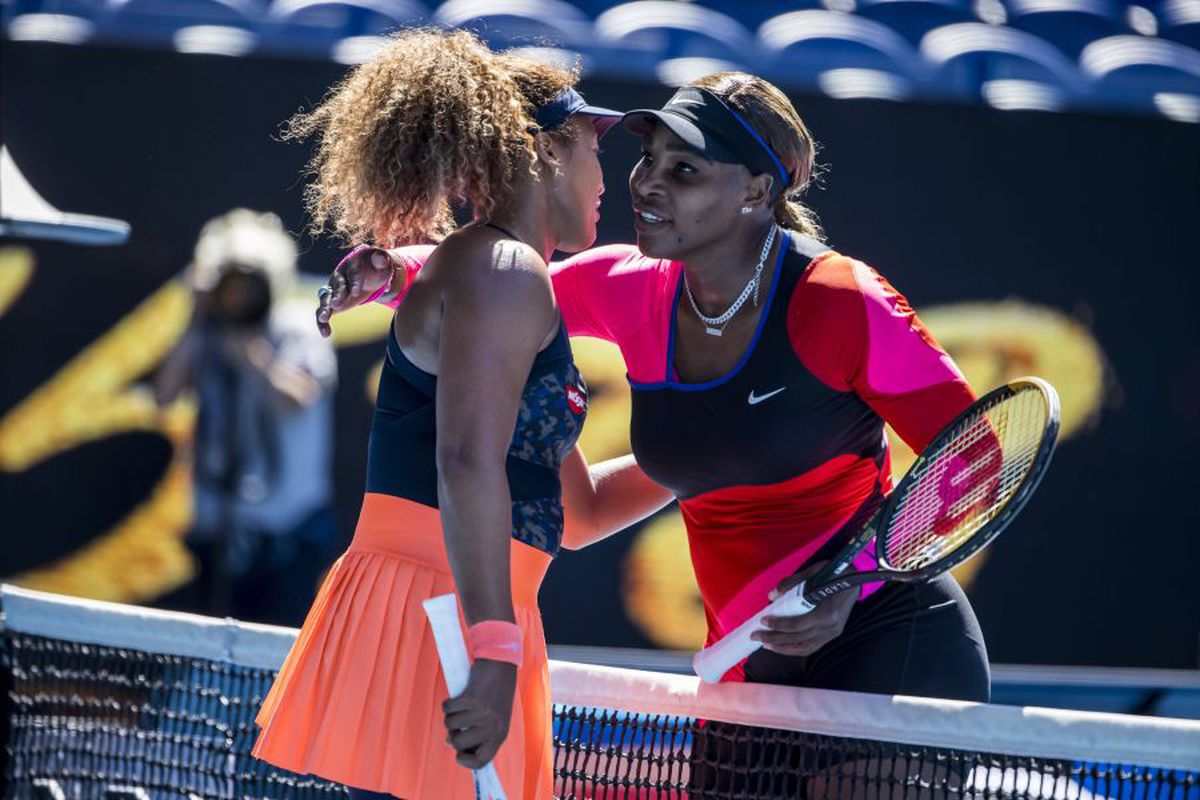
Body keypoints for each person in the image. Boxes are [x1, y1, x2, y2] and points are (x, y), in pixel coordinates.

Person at [321, 72, 991, 706]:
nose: (646, 183)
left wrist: (856, 577)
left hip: (888, 632)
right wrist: (390, 273)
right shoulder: (631, 285)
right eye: (648, 159)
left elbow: (980, 461)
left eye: (684, 170)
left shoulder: (842, 300)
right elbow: (498, 292)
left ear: (756, 193)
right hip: (743, 657)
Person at [250, 29, 671, 800]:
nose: (605, 175)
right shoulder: (504, 270)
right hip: (447, 619)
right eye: (592, 147)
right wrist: (492, 650)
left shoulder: (498, 271)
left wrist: (698, 462)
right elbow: (467, 464)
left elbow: (573, 513)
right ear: (545, 155)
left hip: (458, 609)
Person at [155, 208, 338, 626]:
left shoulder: (298, 329)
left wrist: (252, 355)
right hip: (219, 529)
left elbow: (299, 398)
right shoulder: (207, 335)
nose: (237, 300)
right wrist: (195, 316)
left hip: (290, 528)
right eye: (228, 289)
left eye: (246, 288)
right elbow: (165, 396)